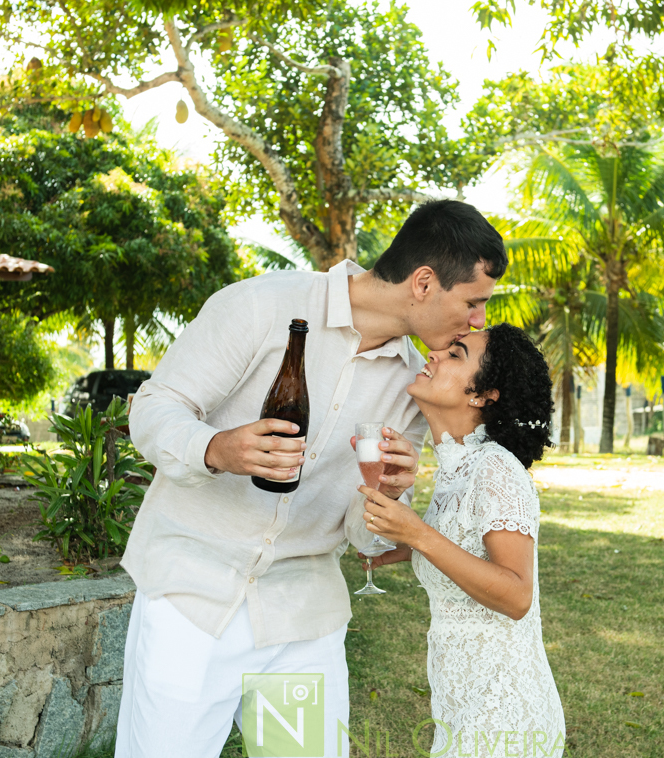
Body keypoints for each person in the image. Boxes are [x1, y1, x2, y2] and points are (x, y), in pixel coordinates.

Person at [115, 200, 508, 757]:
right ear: (424, 283)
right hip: (190, 597)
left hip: (302, 618)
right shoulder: (262, 306)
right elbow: (155, 408)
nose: (477, 320)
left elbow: (363, 540)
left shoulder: (411, 387)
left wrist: (389, 499)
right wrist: (218, 448)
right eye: (473, 302)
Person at [359, 323, 566, 757]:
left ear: (482, 394)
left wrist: (418, 534)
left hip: (502, 711)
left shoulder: (496, 468)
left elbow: (516, 595)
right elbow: (458, 553)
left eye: (456, 354)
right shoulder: (457, 470)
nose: (432, 355)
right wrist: (402, 537)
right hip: (460, 705)